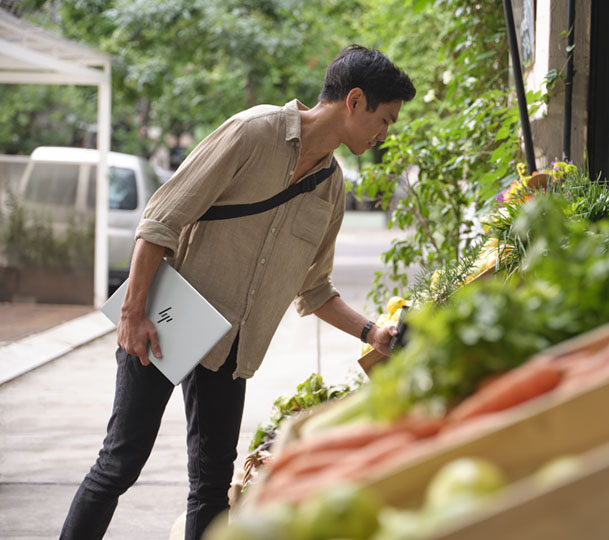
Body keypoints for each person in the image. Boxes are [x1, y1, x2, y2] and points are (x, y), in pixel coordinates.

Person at [60, 44, 416, 540]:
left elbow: (314, 290)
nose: (385, 133)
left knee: (210, 488)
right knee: (119, 464)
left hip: (233, 346)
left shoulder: (331, 189)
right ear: (354, 101)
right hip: (168, 317)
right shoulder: (255, 132)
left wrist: (372, 331)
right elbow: (161, 218)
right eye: (386, 119)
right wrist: (132, 312)